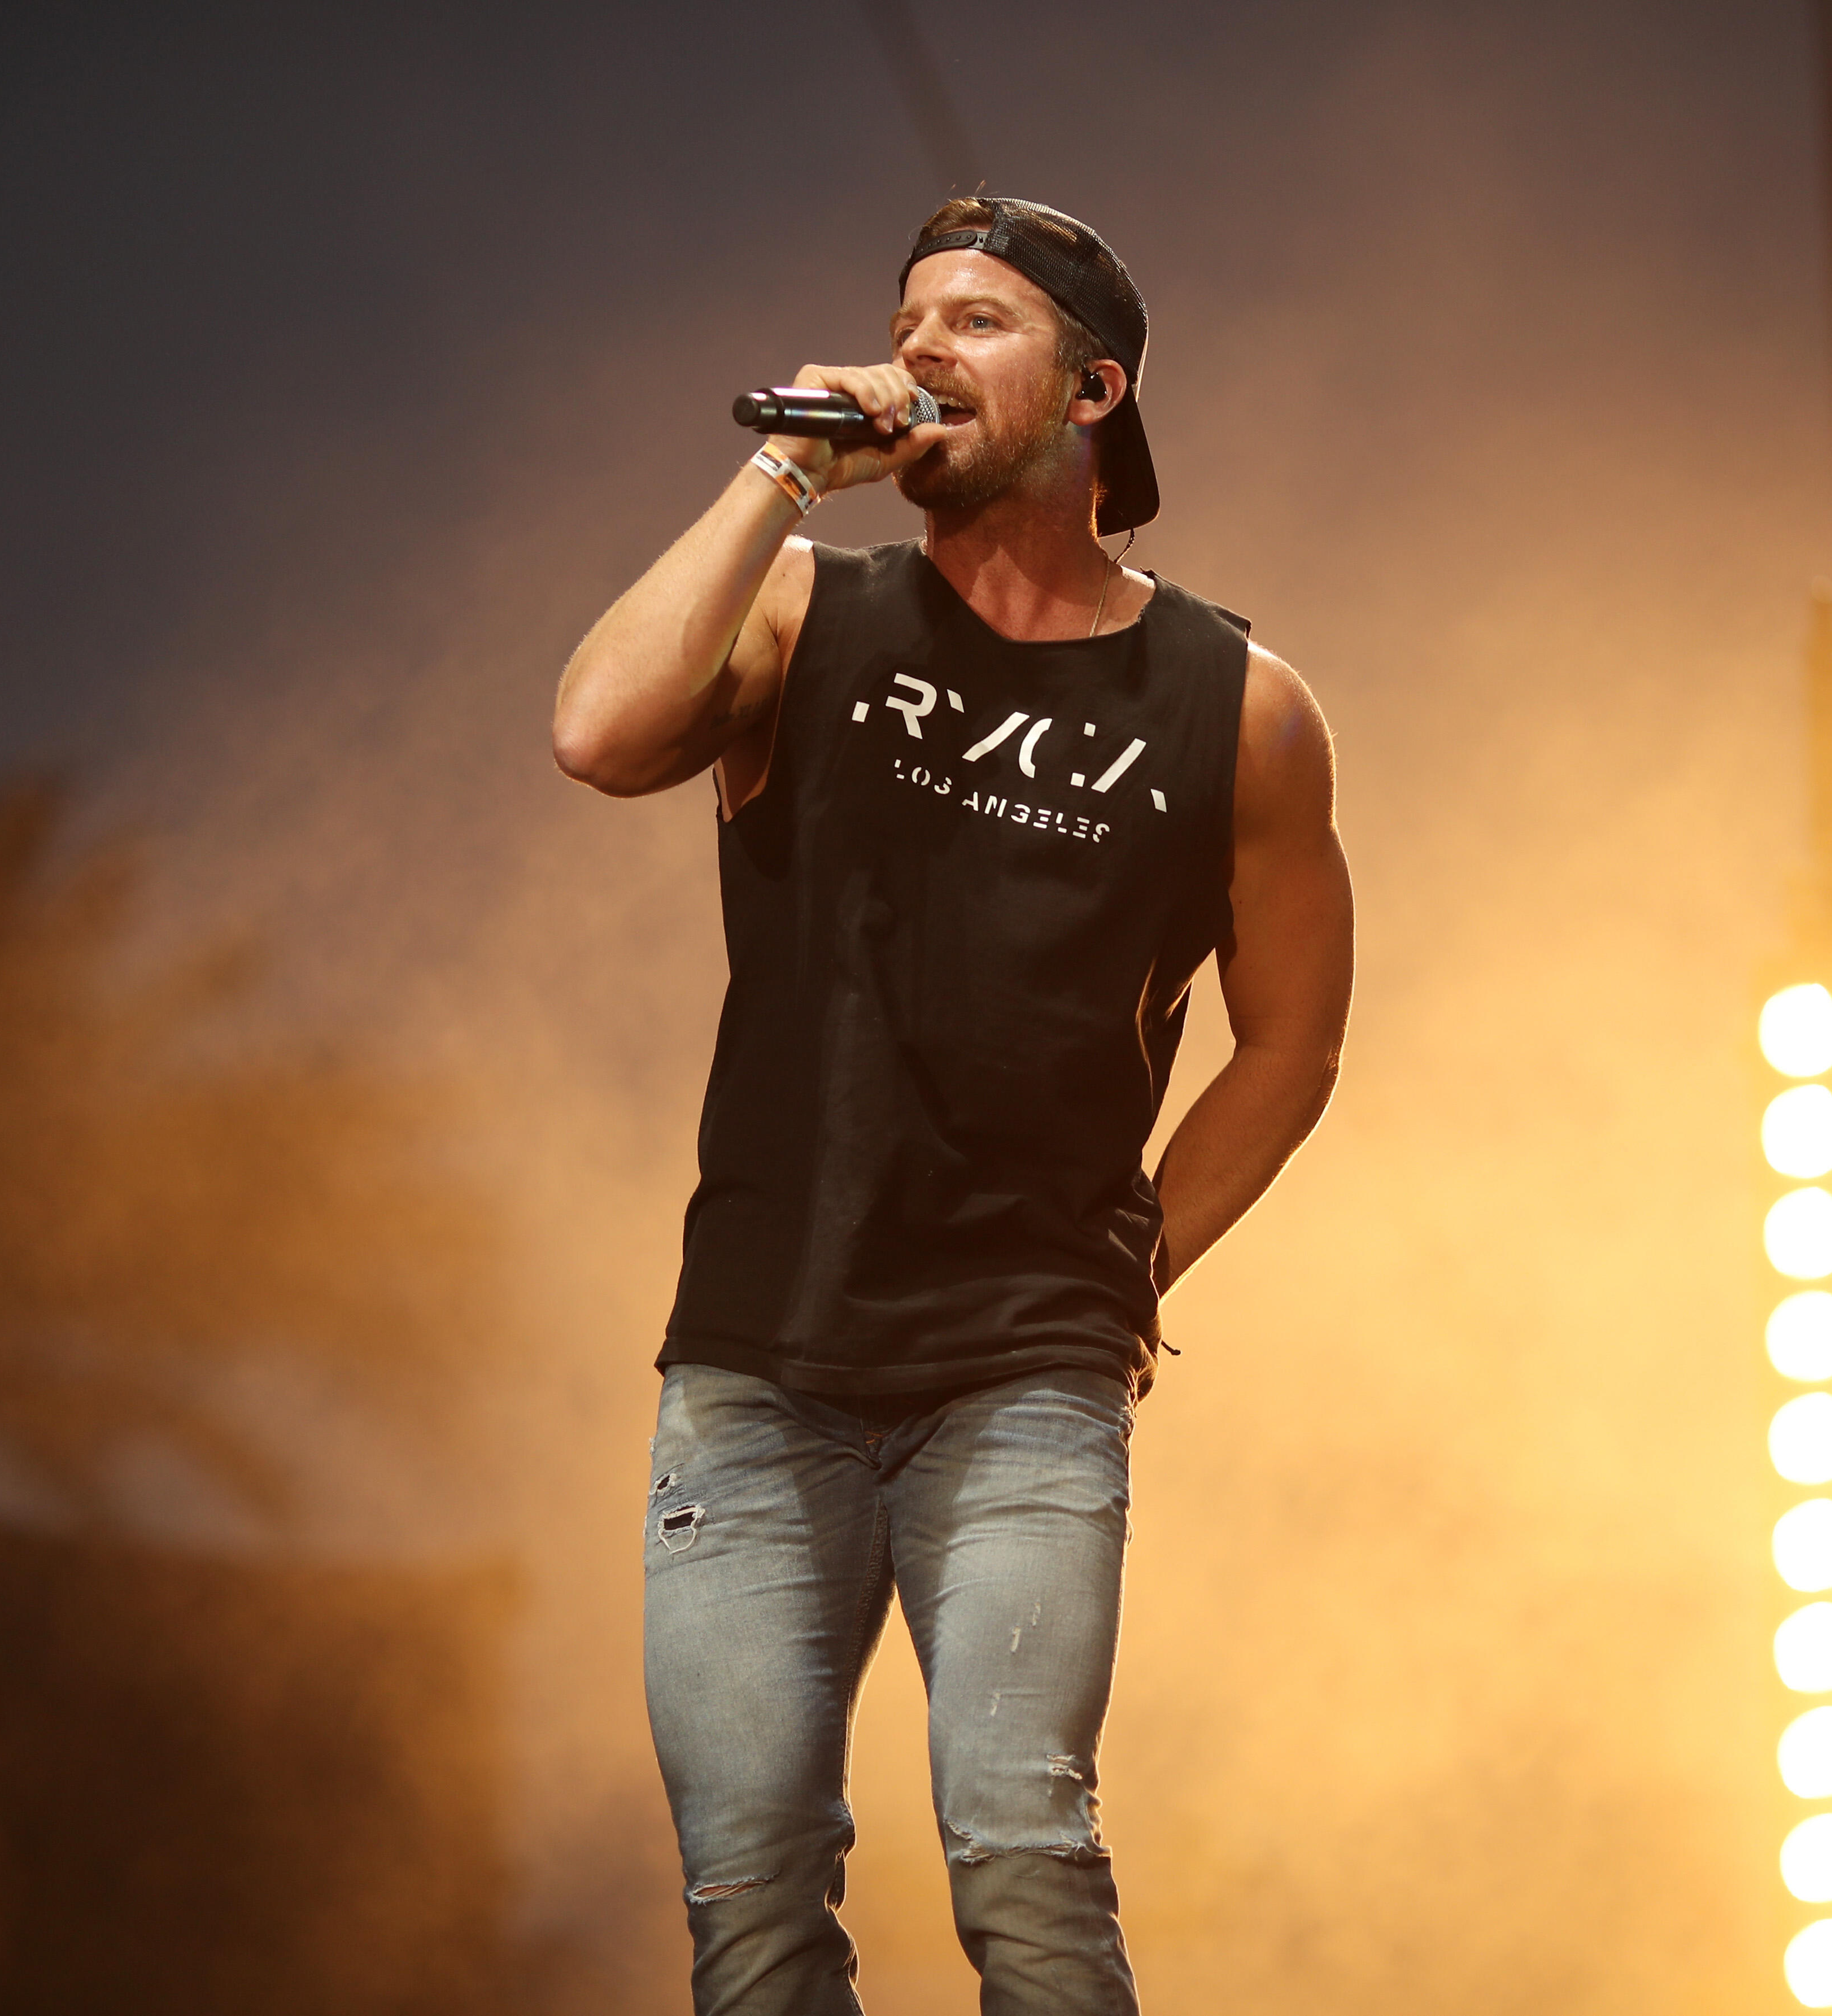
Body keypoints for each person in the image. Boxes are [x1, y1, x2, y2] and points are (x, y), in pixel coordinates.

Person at [555, 196, 1354, 2014]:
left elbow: (1291, 1040)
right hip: (758, 1369)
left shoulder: (1239, 704)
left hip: (1023, 1374)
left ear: (1092, 388)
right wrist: (780, 473)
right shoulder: (798, 612)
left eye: (975, 321)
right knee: (752, 1898)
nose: (918, 349)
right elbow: (599, 735)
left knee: (1024, 1853)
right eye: (905, 317)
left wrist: (1135, 1261)